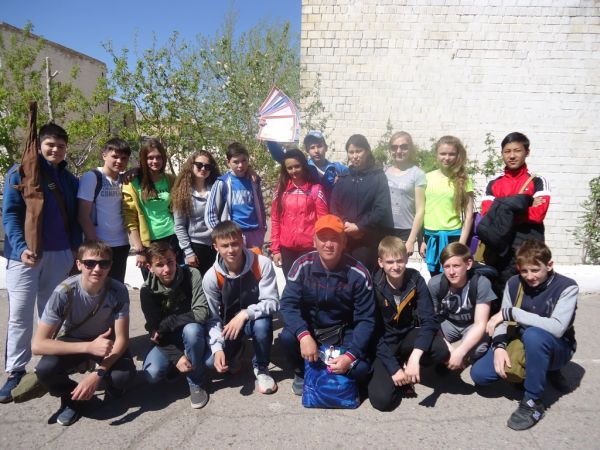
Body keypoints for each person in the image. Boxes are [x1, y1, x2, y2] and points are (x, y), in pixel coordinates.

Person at [1, 123, 82, 403]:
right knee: (20, 315)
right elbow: (10, 214)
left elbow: (75, 218)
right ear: (39, 145)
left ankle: (49, 367)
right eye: (50, 144)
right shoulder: (20, 172)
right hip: (25, 256)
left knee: (51, 314)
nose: (55, 150)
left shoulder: (69, 180)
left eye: (61, 146)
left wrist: (74, 250)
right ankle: (15, 371)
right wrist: (21, 247)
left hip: (60, 254)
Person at [471, 240, 577, 431]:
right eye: (524, 271)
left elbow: (558, 328)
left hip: (557, 347)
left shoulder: (567, 287)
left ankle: (533, 401)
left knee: (534, 335)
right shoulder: (514, 283)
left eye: (535, 270)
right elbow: (503, 321)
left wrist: (513, 313)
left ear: (549, 265)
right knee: (480, 375)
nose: (530, 276)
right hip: (521, 339)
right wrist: (499, 347)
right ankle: (530, 372)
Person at [31, 240, 135, 426]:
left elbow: (122, 339)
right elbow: (38, 345)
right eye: (89, 263)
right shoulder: (64, 292)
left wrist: (98, 374)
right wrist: (88, 347)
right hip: (74, 340)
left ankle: (105, 381)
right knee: (45, 370)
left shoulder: (118, 290)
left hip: (105, 342)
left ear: (110, 265)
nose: (97, 269)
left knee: (123, 377)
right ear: (79, 264)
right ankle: (72, 397)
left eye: (103, 263)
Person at [279, 214, 375, 396]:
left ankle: (333, 369)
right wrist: (304, 336)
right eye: (323, 238)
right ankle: (301, 372)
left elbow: (366, 320)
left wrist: (350, 356)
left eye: (335, 239)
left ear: (344, 242)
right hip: (311, 330)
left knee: (361, 369)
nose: (328, 244)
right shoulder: (301, 266)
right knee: (287, 337)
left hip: (343, 332)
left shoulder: (359, 274)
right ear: (314, 241)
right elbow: (287, 305)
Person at [368, 236, 449, 411]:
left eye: (400, 261)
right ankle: (399, 370)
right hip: (384, 342)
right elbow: (372, 333)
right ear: (381, 263)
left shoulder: (415, 279)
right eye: (390, 262)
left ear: (406, 259)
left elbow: (429, 320)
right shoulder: (373, 286)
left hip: (407, 335)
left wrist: (415, 357)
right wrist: (393, 369)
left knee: (440, 349)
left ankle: (408, 363)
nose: (396, 266)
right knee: (382, 401)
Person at [203, 221, 279, 394]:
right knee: (211, 363)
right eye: (225, 246)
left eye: (235, 243)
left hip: (254, 319)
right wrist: (217, 348)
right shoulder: (211, 277)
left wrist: (245, 313)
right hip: (228, 326)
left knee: (262, 325)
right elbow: (213, 318)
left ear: (242, 240)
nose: (231, 250)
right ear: (216, 247)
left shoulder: (261, 263)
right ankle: (236, 349)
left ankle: (261, 368)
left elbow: (272, 301)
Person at [140, 242, 210, 409]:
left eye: (170, 262)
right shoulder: (147, 290)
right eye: (159, 265)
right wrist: (176, 356)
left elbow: (201, 313)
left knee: (192, 331)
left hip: (192, 332)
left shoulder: (191, 274)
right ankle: (176, 363)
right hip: (168, 339)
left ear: (176, 259)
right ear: (150, 267)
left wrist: (168, 323)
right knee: (152, 374)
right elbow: (155, 332)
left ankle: (196, 382)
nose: (167, 269)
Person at [479, 132, 551, 294]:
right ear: (502, 154)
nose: (512, 156)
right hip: (499, 249)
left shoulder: (538, 181)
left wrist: (501, 206)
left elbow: (538, 214)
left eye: (517, 151)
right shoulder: (493, 183)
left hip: (529, 247)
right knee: (499, 291)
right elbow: (488, 215)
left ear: (527, 152)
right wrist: (524, 202)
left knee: (530, 290)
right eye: (507, 151)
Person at [428, 243, 496, 371]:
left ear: (468, 264)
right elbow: (432, 320)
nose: (451, 272)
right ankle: (447, 359)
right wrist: (448, 349)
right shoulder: (435, 284)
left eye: (456, 266)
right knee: (430, 341)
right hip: (449, 321)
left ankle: (463, 360)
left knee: (478, 349)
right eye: (447, 266)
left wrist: (460, 352)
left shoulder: (481, 283)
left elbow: (480, 324)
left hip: (471, 323)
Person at [330, 134, 393, 271]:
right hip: (344, 239)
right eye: (351, 152)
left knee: (365, 276)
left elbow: (381, 208)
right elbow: (334, 206)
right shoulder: (343, 178)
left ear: (367, 151)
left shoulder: (378, 177)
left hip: (368, 241)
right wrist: (345, 224)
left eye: (358, 151)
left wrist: (360, 227)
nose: (355, 156)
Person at [122, 138, 177, 279]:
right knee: (152, 283)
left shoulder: (170, 179)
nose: (155, 161)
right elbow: (130, 218)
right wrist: (139, 249)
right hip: (148, 242)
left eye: (158, 157)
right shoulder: (132, 183)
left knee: (173, 280)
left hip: (172, 237)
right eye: (150, 158)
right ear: (143, 159)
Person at [77, 138, 131, 282]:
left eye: (124, 158)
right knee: (96, 288)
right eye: (115, 156)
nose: (119, 161)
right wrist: (95, 245)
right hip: (99, 246)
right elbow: (83, 215)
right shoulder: (92, 177)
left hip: (122, 244)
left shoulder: (124, 180)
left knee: (116, 288)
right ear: (104, 155)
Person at [420, 135, 474, 276]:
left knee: (454, 278)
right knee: (435, 280)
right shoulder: (426, 178)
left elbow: (469, 216)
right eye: (443, 153)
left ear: (458, 155)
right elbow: (421, 211)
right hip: (431, 238)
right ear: (436, 155)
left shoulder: (464, 179)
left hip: (453, 238)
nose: (447, 158)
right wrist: (422, 240)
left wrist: (461, 244)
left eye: (451, 154)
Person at [271, 149, 328, 277]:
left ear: (304, 165)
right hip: (286, 250)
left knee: (310, 286)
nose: (294, 171)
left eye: (297, 166)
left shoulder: (316, 190)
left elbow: (323, 221)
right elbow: (275, 220)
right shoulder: (281, 190)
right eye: (289, 168)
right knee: (291, 285)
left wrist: (321, 246)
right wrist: (275, 250)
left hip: (310, 249)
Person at [205, 142, 267, 249]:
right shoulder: (222, 183)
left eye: (244, 160)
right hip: (233, 236)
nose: (240, 165)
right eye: (236, 162)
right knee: (235, 260)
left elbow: (261, 207)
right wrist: (221, 235)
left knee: (255, 260)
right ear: (228, 162)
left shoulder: (254, 180)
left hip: (255, 234)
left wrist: (262, 228)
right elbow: (210, 213)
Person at [172, 150, 221, 275]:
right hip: (196, 247)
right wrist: (189, 252)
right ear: (191, 166)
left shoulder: (217, 188)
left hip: (217, 245)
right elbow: (179, 226)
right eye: (199, 165)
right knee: (198, 284)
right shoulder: (183, 193)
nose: (203, 169)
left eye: (207, 166)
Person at [265, 130, 348, 197]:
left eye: (319, 146)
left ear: (326, 148)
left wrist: (343, 179)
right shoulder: (304, 167)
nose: (316, 151)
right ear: (307, 150)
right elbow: (280, 156)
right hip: (310, 212)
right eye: (312, 147)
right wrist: (268, 131)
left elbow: (354, 173)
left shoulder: (337, 169)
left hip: (332, 212)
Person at [385, 131, 426, 256]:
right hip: (385, 228)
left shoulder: (417, 174)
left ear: (410, 149)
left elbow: (420, 210)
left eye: (403, 147)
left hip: (405, 230)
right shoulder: (384, 172)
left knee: (399, 265)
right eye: (394, 147)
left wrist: (411, 240)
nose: (398, 151)